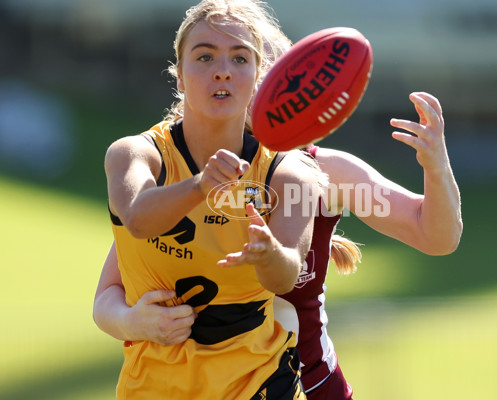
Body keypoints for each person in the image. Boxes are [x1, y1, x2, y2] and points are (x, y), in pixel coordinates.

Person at [95, 4, 463, 400]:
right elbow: (112, 290)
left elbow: (435, 235)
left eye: (249, 61)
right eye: (212, 56)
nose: (229, 72)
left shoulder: (322, 172)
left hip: (305, 383)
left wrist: (437, 166)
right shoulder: (176, 167)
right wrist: (134, 322)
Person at [96, 0, 326, 398]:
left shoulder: (288, 173)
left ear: (257, 79)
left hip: (256, 382)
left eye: (240, 58)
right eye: (204, 56)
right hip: (151, 384)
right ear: (180, 75)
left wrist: (268, 252)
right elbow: (138, 217)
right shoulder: (135, 153)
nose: (222, 70)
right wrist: (201, 185)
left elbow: (286, 274)